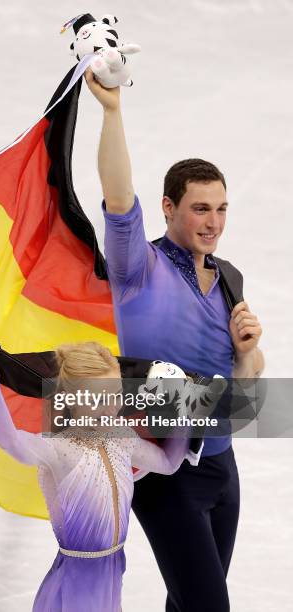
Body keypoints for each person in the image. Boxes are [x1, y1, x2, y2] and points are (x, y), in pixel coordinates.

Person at [84, 68, 265, 612]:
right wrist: (112, 113)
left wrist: (248, 349)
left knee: (186, 604)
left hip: (221, 467)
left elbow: (246, 388)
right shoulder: (139, 266)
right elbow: (118, 200)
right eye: (200, 208)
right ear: (169, 208)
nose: (213, 222)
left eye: (222, 208)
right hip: (165, 465)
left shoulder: (230, 275)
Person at [0, 319, 203, 612]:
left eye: (116, 395)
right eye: (99, 399)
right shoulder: (59, 449)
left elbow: (169, 463)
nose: (111, 407)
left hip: (111, 576)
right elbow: (9, 440)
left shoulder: (120, 437)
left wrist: (184, 408)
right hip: (75, 586)